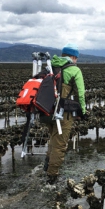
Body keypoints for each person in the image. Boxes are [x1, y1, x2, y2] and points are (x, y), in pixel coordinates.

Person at [44, 43, 87, 184]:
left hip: (46, 111)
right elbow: (80, 94)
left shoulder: (50, 66)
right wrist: (83, 112)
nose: (77, 61)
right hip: (62, 113)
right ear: (74, 57)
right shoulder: (74, 70)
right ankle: (52, 177)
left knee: (53, 139)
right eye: (77, 58)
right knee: (60, 145)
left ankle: (46, 167)